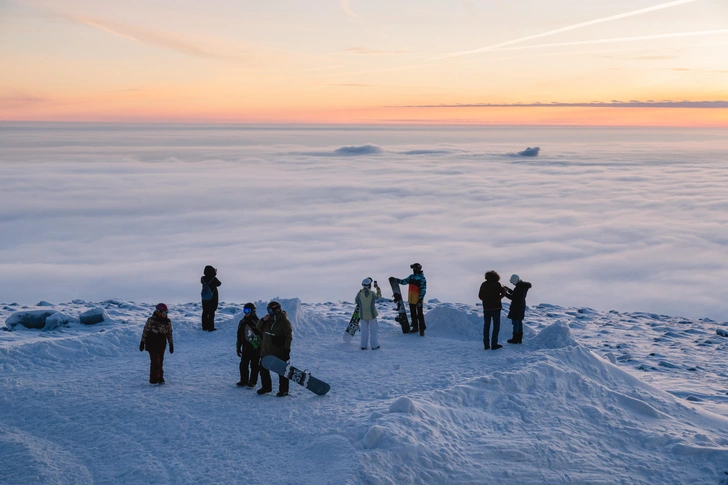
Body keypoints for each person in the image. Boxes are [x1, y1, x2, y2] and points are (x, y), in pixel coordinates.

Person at [256, 301, 293, 397]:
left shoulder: (284, 322)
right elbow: (258, 327)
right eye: (268, 310)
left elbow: (288, 337)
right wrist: (263, 320)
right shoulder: (268, 319)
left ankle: (284, 390)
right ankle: (266, 387)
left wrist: (287, 350)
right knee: (263, 369)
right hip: (266, 350)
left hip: (279, 351)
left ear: (277, 310)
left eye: (270, 310)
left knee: (281, 371)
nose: (269, 312)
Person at [139, 303, 174, 384]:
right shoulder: (151, 320)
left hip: (161, 343)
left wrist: (171, 344)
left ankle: (160, 377)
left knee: (160, 361)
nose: (165, 315)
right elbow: (145, 331)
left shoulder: (167, 322)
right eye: (164, 313)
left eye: (166, 313)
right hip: (152, 343)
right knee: (155, 362)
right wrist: (142, 342)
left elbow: (169, 333)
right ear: (158, 312)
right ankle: (154, 379)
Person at [395, 263, 427, 335]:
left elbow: (423, 290)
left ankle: (422, 329)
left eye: (414, 268)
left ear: (417, 269)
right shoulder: (411, 277)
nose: (413, 270)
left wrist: (420, 299)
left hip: (418, 300)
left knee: (420, 314)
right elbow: (404, 282)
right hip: (411, 299)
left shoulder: (422, 278)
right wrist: (396, 280)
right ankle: (415, 327)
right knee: (413, 314)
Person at [478, 270, 506, 350]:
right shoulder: (497, 284)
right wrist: (500, 296)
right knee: (496, 327)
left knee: (486, 326)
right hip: (496, 308)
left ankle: (486, 345)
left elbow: (480, 296)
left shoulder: (484, 284)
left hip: (486, 308)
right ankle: (494, 344)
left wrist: (486, 300)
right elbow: (502, 294)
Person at [236, 302, 261, 388]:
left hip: (255, 348)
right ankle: (244, 380)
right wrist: (238, 346)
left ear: (253, 311)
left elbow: (261, 336)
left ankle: (252, 381)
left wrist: (260, 348)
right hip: (246, 348)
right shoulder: (242, 322)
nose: (246, 313)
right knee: (243, 365)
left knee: (254, 366)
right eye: (244, 310)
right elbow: (239, 335)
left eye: (247, 311)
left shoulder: (257, 322)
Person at [504, 274, 532, 344]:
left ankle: (515, 339)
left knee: (515, 322)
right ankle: (519, 339)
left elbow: (514, 297)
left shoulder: (519, 287)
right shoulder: (522, 287)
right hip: (521, 306)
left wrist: (505, 294)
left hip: (516, 307)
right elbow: (516, 294)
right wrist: (509, 290)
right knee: (519, 322)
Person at [355, 277, 382, 350]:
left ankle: (363, 346)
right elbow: (379, 297)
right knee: (373, 330)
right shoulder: (372, 293)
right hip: (372, 314)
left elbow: (357, 301)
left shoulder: (359, 293)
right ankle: (374, 346)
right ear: (370, 285)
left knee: (364, 331)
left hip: (362, 314)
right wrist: (378, 289)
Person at [200, 265, 221, 331]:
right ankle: (210, 327)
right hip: (212, 299)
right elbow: (219, 283)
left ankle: (204, 326)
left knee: (205, 312)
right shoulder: (214, 279)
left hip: (205, 298)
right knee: (211, 312)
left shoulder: (202, 279)